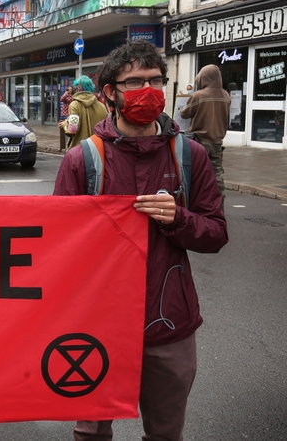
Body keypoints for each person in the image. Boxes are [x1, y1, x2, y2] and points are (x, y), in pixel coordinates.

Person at [53, 40, 228, 441]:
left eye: (156, 81)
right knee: (91, 432)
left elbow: (216, 233)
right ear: (109, 92)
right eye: (134, 82)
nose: (148, 90)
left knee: (166, 434)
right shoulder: (82, 160)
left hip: (168, 325)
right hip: (97, 326)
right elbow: (58, 248)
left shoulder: (191, 156)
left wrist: (178, 219)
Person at [180, 65, 231, 199]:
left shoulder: (198, 95)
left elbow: (184, 113)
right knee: (217, 177)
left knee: (196, 176)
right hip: (216, 143)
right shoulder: (226, 95)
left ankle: (197, 205)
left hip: (199, 141)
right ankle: (218, 208)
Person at [63, 76, 109, 150]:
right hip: (98, 150)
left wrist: (65, 124)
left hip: (79, 151)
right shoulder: (102, 106)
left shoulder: (75, 104)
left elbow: (72, 129)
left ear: (78, 88)